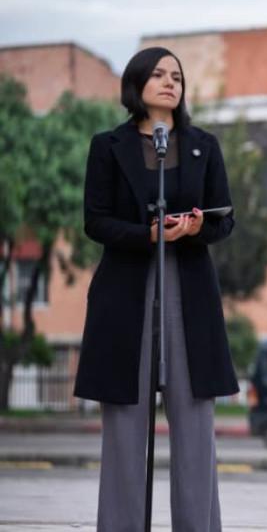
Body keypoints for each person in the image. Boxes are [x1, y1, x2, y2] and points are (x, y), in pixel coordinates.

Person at [74, 46, 238, 531]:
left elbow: (223, 218)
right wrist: (146, 235)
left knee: (195, 435)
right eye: (159, 74)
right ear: (137, 83)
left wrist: (193, 229)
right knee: (124, 432)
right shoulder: (107, 146)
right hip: (126, 296)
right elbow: (95, 221)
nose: (170, 82)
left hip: (188, 297)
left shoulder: (202, 145)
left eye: (177, 76)